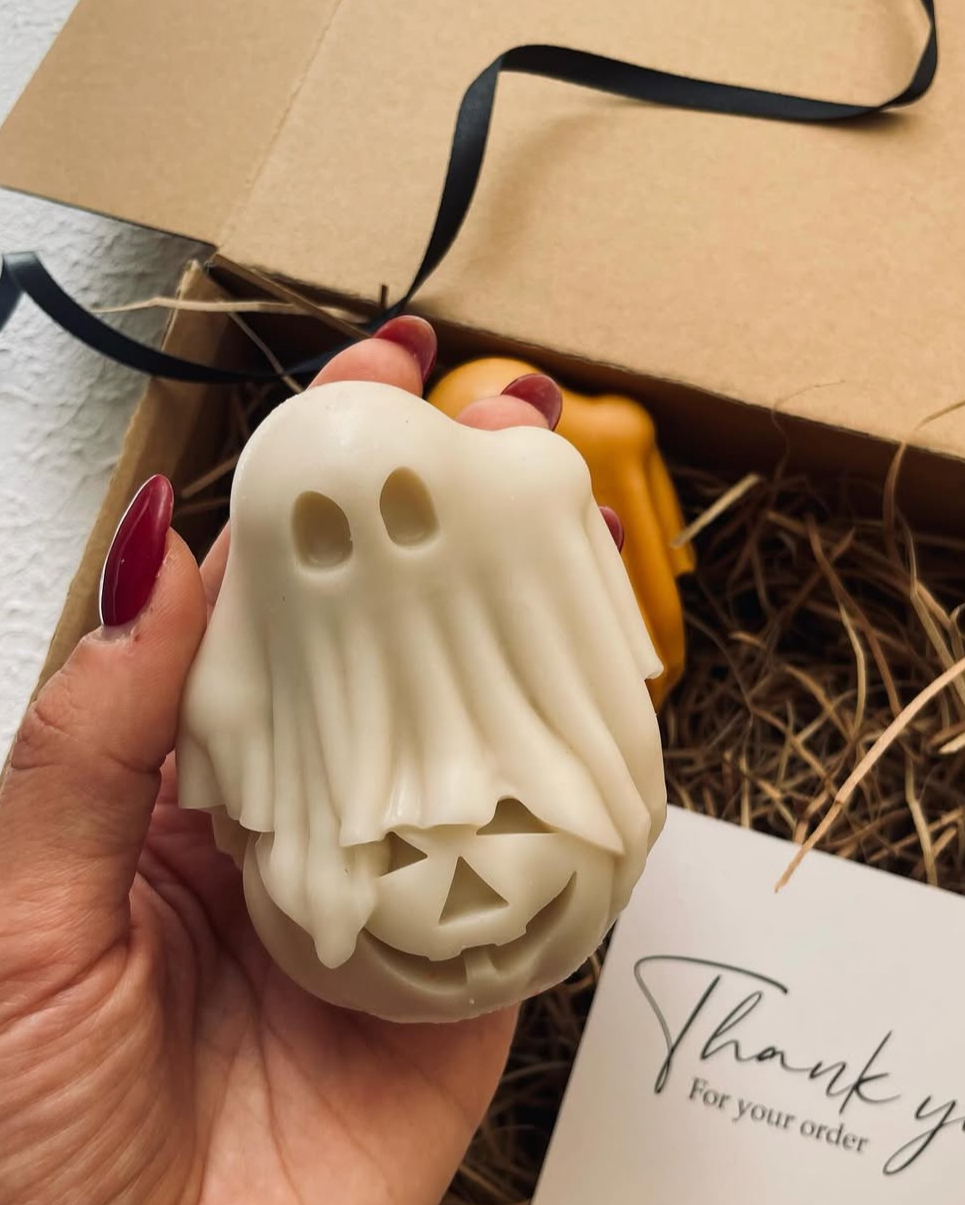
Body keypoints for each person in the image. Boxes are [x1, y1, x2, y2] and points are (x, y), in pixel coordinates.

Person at [0, 316, 578, 1205]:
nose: (463, 884)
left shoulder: (507, 672)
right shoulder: (257, 697)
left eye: (405, 514)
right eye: (325, 535)